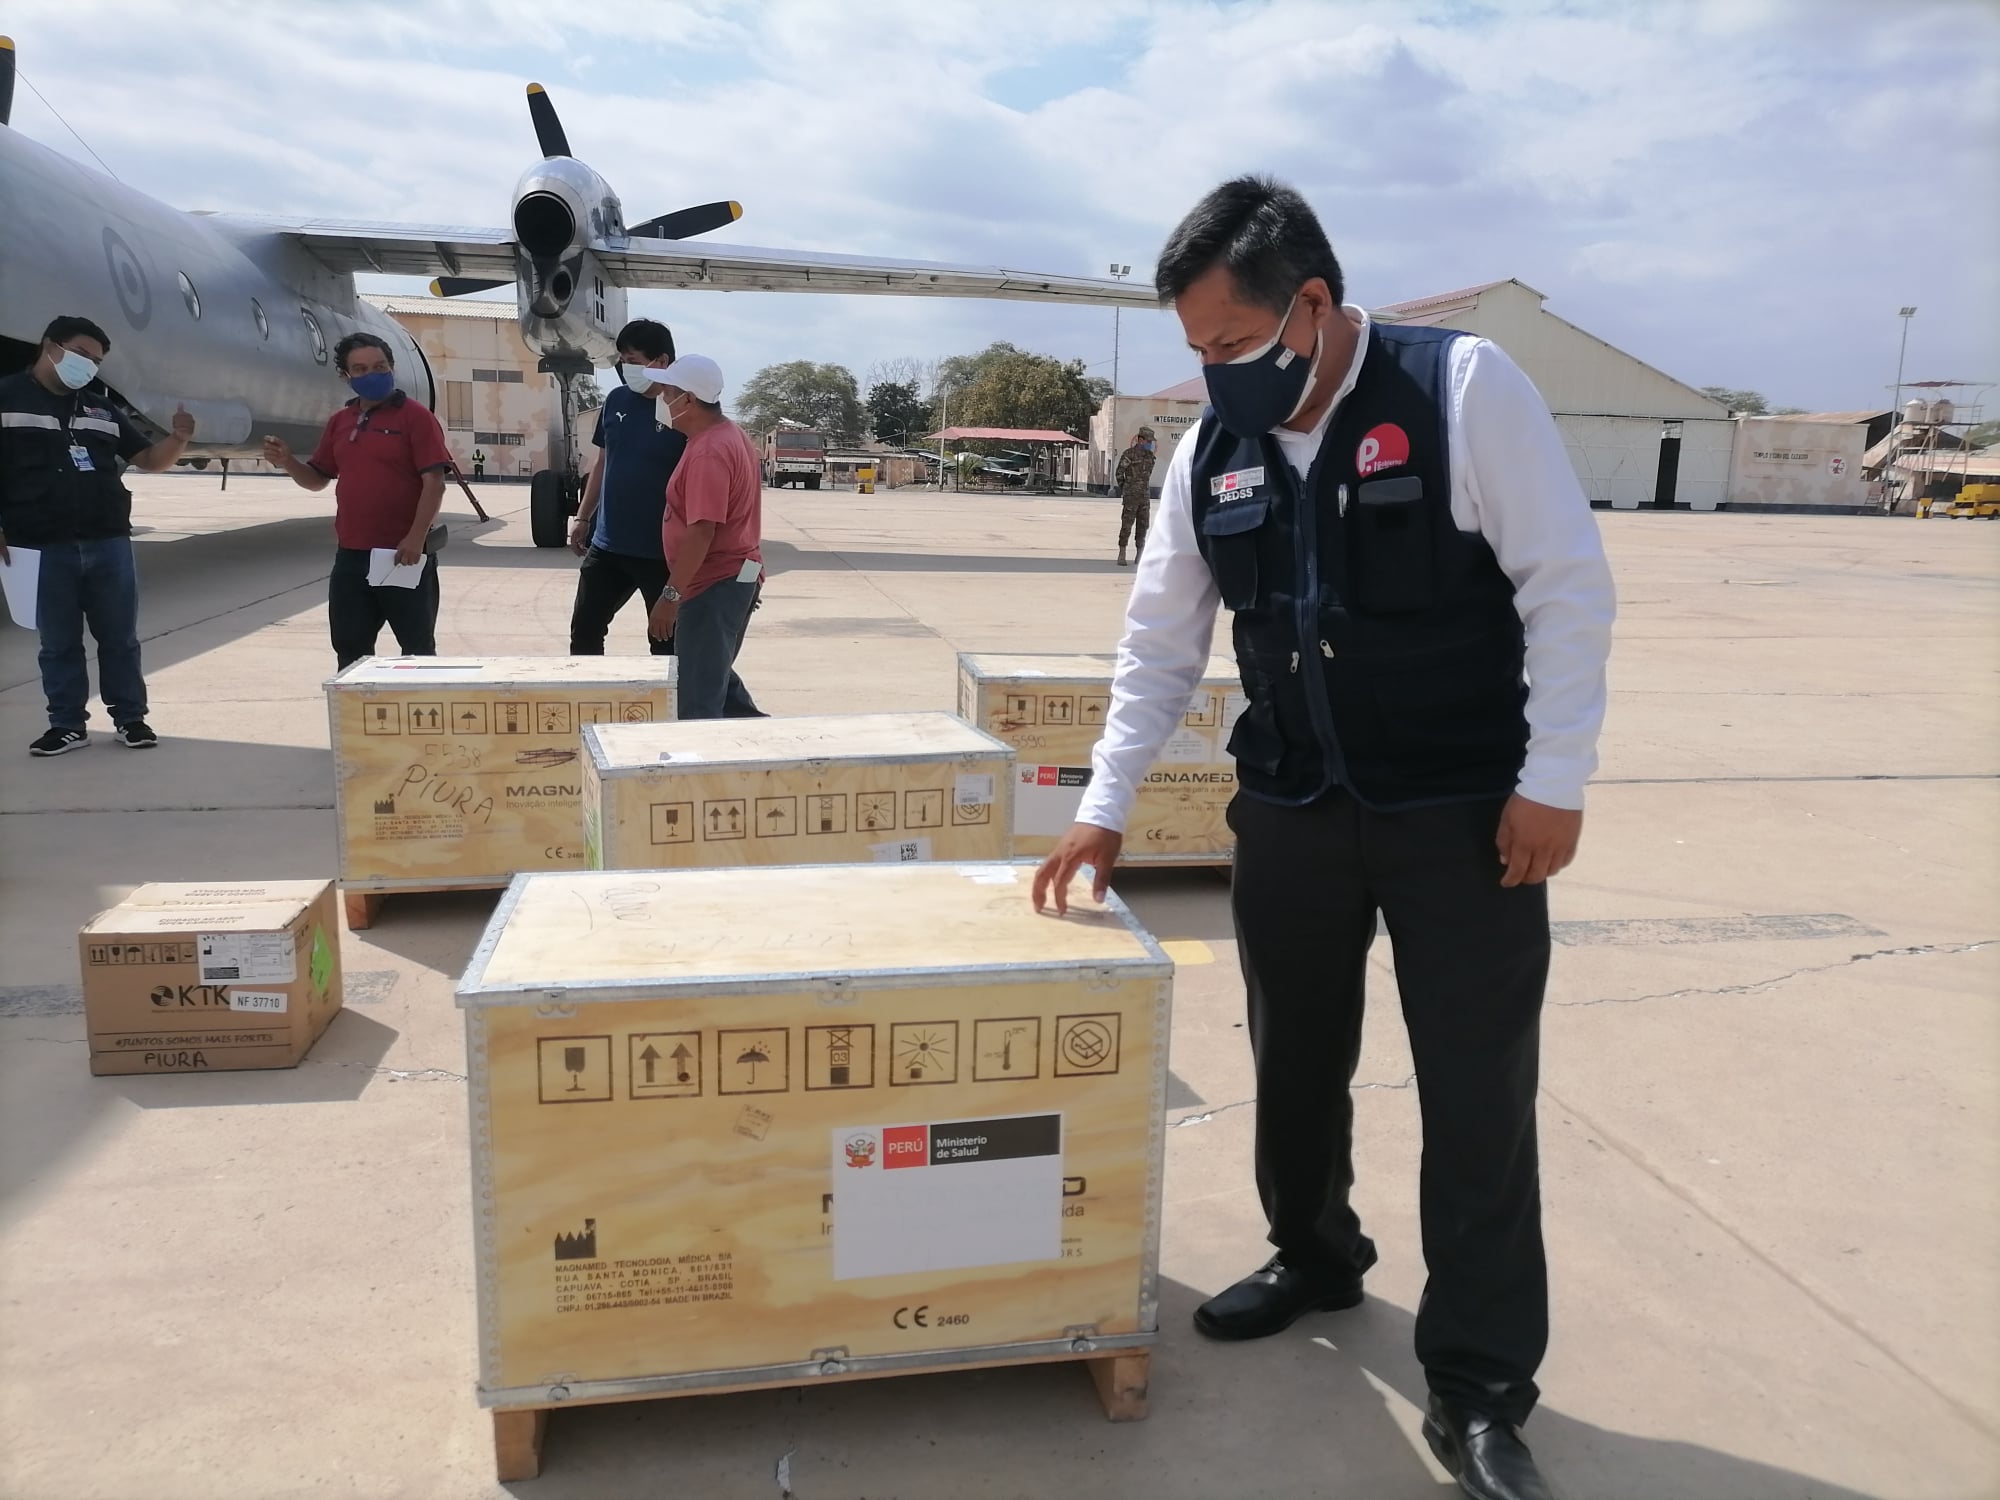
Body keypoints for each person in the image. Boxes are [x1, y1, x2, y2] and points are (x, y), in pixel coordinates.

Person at [1032, 177, 1614, 1500]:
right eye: (1197, 351)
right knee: (1293, 1061)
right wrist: (1104, 806)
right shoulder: (1209, 452)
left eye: (1232, 344)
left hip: (1463, 818)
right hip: (1292, 808)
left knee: (1475, 1095)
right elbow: (1158, 641)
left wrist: (1554, 779)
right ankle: (1314, 1254)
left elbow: (1566, 588)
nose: (1215, 373)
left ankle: (1478, 1387)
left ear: (1310, 305)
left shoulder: (1459, 392)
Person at [0, 315, 194, 755]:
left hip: (108, 542)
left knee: (120, 639)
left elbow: (149, 459)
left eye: (96, 361)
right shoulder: (6, 398)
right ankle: (67, 725)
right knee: (58, 643)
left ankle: (131, 720)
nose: (88, 366)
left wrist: (179, 439)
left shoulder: (100, 409)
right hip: (40, 544)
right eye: (81, 354)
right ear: (50, 346)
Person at [262, 334, 451, 669]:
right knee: (350, 650)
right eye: (360, 369)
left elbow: (434, 483)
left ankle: (417, 704)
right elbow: (317, 479)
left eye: (380, 366)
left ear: (392, 367)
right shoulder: (340, 422)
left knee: (417, 650)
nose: (372, 374)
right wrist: (288, 461)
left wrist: (415, 538)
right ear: (345, 376)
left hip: (401, 556)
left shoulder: (416, 417)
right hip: (351, 557)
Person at [644, 355, 763, 719]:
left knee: (697, 701)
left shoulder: (708, 452)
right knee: (715, 678)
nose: (662, 399)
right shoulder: (730, 435)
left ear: (689, 399)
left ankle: (709, 752)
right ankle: (762, 737)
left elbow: (702, 531)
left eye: (667, 392)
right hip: (734, 576)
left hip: (713, 584)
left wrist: (669, 597)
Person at [568, 320, 685, 656]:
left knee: (666, 644)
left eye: (633, 360)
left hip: (660, 553)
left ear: (661, 361)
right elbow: (602, 462)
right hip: (608, 547)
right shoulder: (616, 400)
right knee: (584, 634)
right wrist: (583, 517)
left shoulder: (682, 408)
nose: (624, 368)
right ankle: (590, 690)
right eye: (622, 360)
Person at [1114, 425, 1157, 566]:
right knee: (1127, 525)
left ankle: (1140, 554)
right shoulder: (1129, 454)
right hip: (1131, 497)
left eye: (1151, 441)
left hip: (1144, 497)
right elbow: (1119, 473)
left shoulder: (1151, 457)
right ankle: (1122, 553)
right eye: (1148, 441)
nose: (1150, 444)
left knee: (1143, 526)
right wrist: (1126, 488)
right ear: (1140, 440)